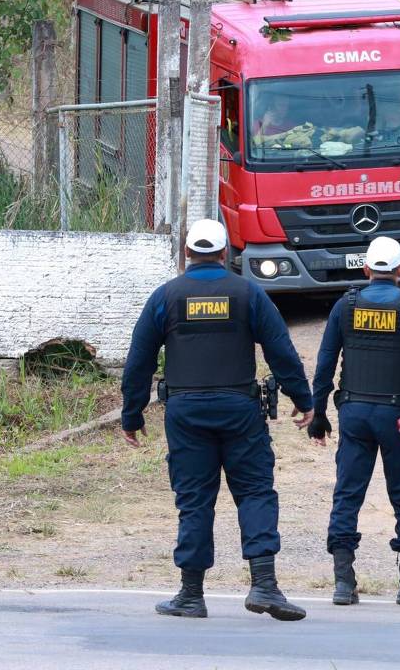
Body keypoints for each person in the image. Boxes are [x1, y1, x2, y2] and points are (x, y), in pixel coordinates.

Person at [120, 219, 314, 622]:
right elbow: (280, 349)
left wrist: (132, 413)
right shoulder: (248, 293)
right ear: (226, 254)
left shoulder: (166, 297)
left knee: (194, 500)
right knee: (256, 492)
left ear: (186, 254)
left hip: (186, 414)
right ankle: (264, 585)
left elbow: (138, 359)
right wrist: (303, 398)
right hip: (241, 412)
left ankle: (191, 595)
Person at [308, 236, 400, 606]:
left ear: (367, 269)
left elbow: (325, 363)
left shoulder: (345, 305)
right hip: (398, 416)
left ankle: (343, 584)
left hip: (354, 414)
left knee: (347, 495)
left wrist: (319, 412)